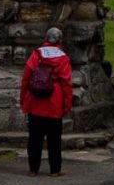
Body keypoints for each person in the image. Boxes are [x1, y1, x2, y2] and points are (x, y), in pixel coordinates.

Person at [19, 25, 74, 174]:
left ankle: (33, 169)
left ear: (46, 38)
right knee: (54, 138)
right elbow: (66, 84)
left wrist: (23, 99)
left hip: (35, 99)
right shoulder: (63, 58)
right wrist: (67, 105)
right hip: (54, 100)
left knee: (34, 137)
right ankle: (55, 169)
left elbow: (26, 78)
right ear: (60, 40)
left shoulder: (36, 54)